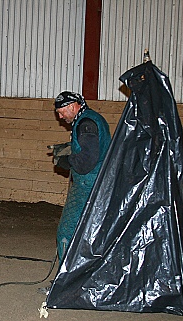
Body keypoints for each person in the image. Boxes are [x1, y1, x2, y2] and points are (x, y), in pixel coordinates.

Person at [52, 91, 111, 261]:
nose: (61, 117)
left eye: (62, 112)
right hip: (99, 183)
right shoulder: (92, 118)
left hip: (87, 184)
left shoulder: (86, 124)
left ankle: (66, 281)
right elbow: (91, 146)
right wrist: (70, 147)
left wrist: (66, 161)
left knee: (67, 231)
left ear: (72, 106)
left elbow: (86, 161)